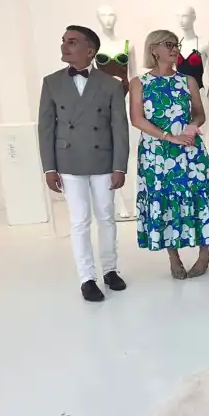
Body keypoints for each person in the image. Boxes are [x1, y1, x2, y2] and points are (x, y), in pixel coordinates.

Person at [37, 25, 129, 302]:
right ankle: (87, 278)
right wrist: (49, 167)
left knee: (106, 217)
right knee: (79, 221)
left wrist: (120, 166)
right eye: (64, 40)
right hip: (68, 159)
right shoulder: (51, 82)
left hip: (103, 159)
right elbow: (46, 128)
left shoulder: (111, 84)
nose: (64, 46)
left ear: (90, 51)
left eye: (72, 42)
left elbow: (119, 128)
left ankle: (110, 270)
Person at [129, 30, 209, 278]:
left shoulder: (188, 80)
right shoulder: (139, 83)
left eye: (176, 45)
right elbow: (137, 119)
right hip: (156, 153)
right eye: (168, 44)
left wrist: (192, 126)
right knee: (163, 200)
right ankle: (173, 257)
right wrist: (168, 137)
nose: (175, 49)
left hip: (189, 149)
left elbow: (199, 113)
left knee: (199, 195)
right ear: (153, 49)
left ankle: (204, 253)